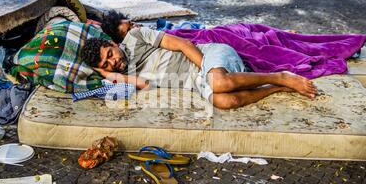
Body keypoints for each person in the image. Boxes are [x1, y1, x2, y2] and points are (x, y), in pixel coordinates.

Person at [81, 26, 317, 109]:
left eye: (110, 54)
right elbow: (145, 84)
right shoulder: (121, 75)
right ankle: (275, 88)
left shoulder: (135, 36)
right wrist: (109, 74)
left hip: (206, 56)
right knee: (227, 102)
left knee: (220, 83)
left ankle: (281, 76)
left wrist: (205, 69)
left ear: (112, 43)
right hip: (197, 81)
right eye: (106, 64)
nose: (113, 61)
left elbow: (183, 44)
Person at [99, 11, 366, 81]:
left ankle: (296, 39)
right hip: (208, 43)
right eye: (128, 29)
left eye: (131, 23)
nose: (134, 27)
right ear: (119, 41)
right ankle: (328, 48)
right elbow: (183, 41)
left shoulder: (149, 31)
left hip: (210, 36)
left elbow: (185, 35)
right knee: (261, 47)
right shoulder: (135, 49)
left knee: (257, 33)